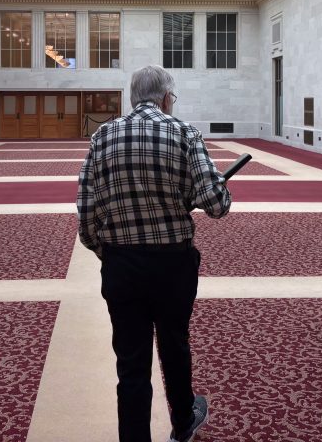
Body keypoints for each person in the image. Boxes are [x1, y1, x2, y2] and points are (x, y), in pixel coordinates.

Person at [77, 65, 232, 442]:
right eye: (172, 98)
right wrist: (206, 190)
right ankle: (182, 423)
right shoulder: (184, 133)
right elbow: (215, 204)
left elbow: (88, 213)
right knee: (174, 345)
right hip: (172, 264)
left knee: (130, 363)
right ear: (166, 98)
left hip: (122, 264)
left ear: (132, 98)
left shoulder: (103, 136)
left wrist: (108, 252)